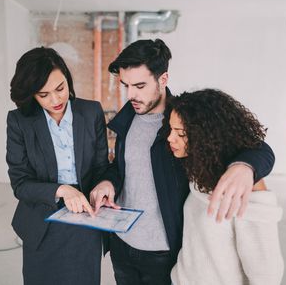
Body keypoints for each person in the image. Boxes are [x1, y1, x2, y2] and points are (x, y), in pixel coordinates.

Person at [90, 39, 276, 285]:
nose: (131, 95)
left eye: (140, 85)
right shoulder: (128, 119)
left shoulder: (185, 119)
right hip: (122, 245)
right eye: (126, 85)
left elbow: (258, 148)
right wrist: (107, 182)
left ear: (163, 79)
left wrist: (244, 167)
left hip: (165, 253)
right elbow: (122, 167)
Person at [6, 47, 108, 284]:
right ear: (32, 94)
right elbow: (20, 183)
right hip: (41, 221)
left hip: (85, 218)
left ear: (68, 80)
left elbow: (103, 166)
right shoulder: (19, 121)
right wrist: (61, 190)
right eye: (43, 94)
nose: (55, 100)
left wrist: (104, 184)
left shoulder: (91, 111)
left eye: (60, 88)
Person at [167, 89, 284, 285]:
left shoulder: (245, 189)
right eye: (170, 129)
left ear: (207, 136)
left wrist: (246, 167)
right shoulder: (200, 171)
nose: (170, 138)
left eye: (181, 133)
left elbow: (266, 274)